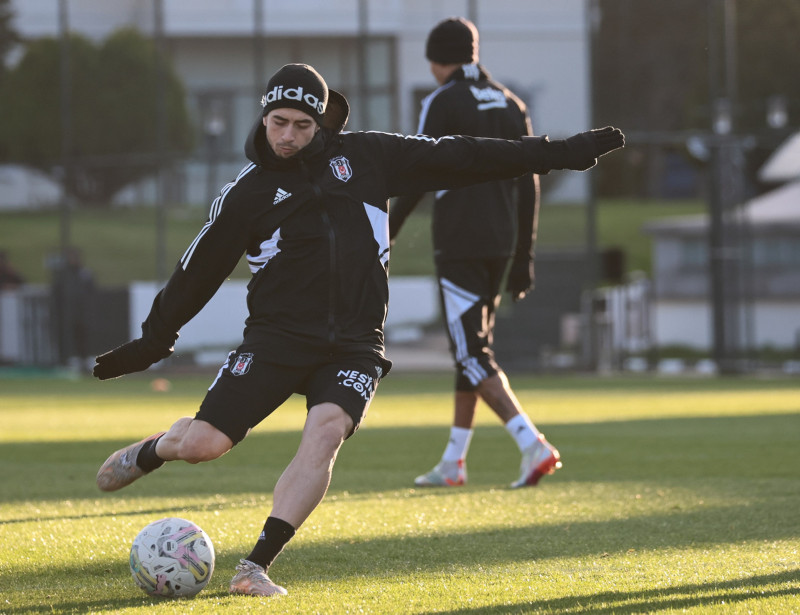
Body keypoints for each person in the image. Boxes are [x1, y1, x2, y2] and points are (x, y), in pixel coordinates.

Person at [92, 62, 624, 597]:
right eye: (278, 122)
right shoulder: (247, 194)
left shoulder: (369, 157)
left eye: (302, 126)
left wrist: (559, 153)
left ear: (322, 123)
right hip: (276, 339)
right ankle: (158, 448)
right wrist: (154, 339)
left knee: (324, 433)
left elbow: (464, 154)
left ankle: (254, 567)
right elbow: (195, 271)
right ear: (263, 118)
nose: (288, 136)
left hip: (355, 343)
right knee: (205, 444)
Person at [390, 17, 564, 490]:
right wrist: (524, 254)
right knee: (472, 349)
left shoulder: (442, 101)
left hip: (460, 244)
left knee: (470, 353)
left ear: (436, 59)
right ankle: (453, 462)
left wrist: (384, 233)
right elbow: (530, 178)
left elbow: (417, 171)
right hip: (500, 243)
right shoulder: (511, 103)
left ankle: (532, 444)